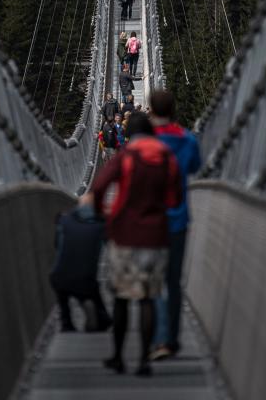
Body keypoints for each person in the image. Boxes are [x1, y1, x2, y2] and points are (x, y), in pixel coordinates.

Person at [89, 112, 182, 376]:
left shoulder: (125, 156)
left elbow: (99, 188)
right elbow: (175, 198)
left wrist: (101, 216)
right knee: (148, 298)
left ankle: (118, 357)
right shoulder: (165, 156)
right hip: (155, 236)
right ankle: (143, 361)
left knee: (121, 297)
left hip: (125, 235)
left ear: (129, 133)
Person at [148, 90, 202, 362]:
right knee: (174, 281)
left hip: (151, 220)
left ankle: (160, 340)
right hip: (179, 220)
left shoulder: (145, 141)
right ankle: (173, 338)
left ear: (150, 108)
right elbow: (195, 166)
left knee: (155, 281)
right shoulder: (187, 139)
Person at [50, 201, 112, 333]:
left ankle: (67, 324)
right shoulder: (102, 225)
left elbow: (57, 245)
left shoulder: (64, 220)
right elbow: (111, 248)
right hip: (86, 279)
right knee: (89, 288)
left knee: (62, 282)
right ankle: (99, 314)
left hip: (58, 277)